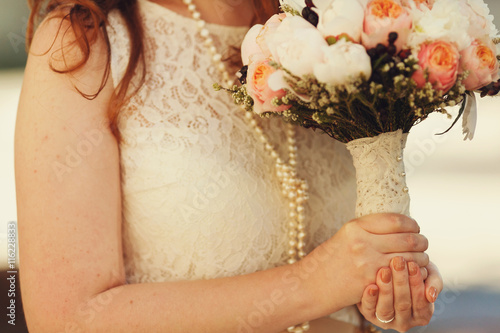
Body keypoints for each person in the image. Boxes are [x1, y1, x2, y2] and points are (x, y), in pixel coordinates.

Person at [15, 0, 443, 332]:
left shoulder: (335, 28)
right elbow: (68, 318)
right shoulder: (84, 44)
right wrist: (315, 284)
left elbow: (354, 270)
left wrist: (390, 285)